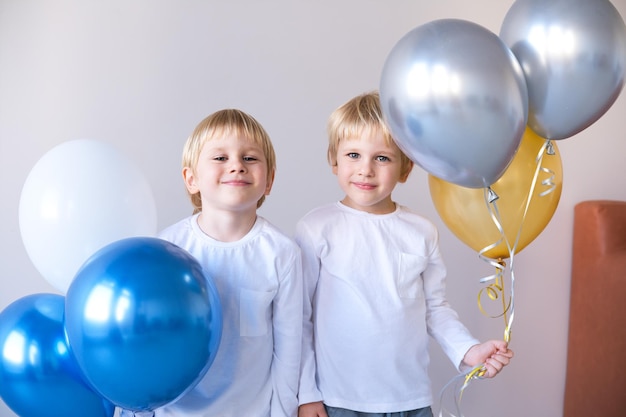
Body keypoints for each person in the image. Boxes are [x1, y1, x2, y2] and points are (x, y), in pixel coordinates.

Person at [296, 92, 513, 417]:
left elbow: (435, 308)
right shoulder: (316, 228)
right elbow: (299, 317)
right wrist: (306, 394)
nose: (365, 169)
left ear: (406, 167)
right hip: (338, 399)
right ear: (334, 160)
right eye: (353, 154)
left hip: (409, 401)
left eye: (382, 158)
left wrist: (469, 349)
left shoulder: (420, 231)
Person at [153, 109, 303, 417]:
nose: (236, 165)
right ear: (191, 178)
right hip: (176, 411)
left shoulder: (281, 253)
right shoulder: (169, 248)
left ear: (269, 180)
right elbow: (151, 334)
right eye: (220, 158)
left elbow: (289, 347)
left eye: (250, 158)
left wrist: (284, 412)